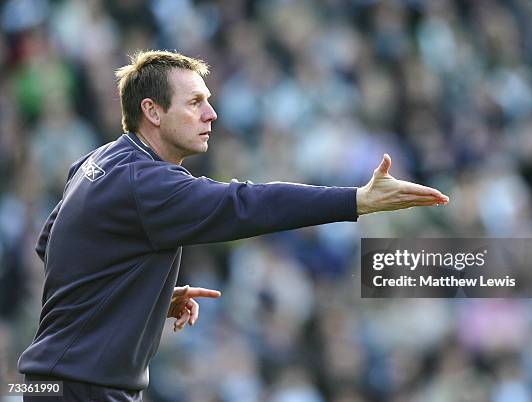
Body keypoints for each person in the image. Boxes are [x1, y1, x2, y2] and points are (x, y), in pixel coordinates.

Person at [17, 50, 449, 401]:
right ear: (152, 111)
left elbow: (51, 241)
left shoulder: (100, 160)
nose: (212, 114)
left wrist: (141, 294)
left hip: (47, 381)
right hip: (82, 389)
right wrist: (357, 200)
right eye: (195, 103)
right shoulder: (147, 184)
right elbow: (247, 203)